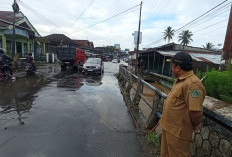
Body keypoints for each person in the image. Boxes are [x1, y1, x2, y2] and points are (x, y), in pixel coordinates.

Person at [160, 52, 206, 157]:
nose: (171, 68)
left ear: (177, 67)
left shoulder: (193, 84)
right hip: (168, 128)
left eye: (172, 66)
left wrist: (195, 125)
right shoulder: (181, 81)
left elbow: (196, 112)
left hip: (178, 133)